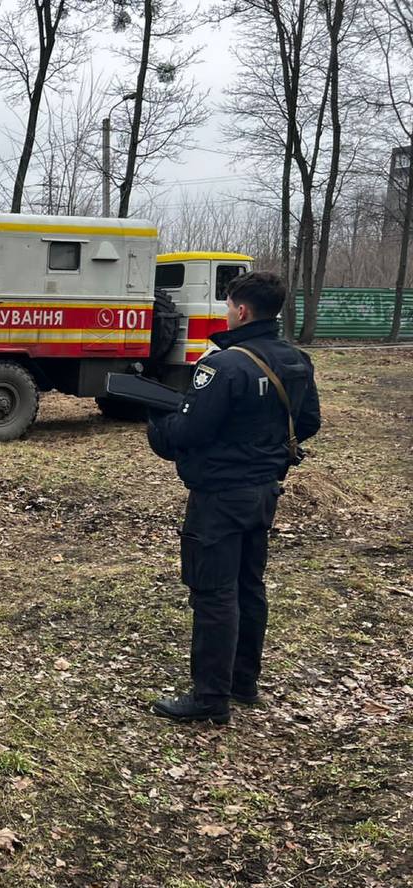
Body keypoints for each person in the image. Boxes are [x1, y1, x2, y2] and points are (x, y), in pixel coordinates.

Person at [146, 271, 321, 724]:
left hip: (219, 496)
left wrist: (155, 422)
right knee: (249, 586)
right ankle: (244, 682)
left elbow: (186, 433)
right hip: (264, 492)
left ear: (241, 310)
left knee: (213, 594)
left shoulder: (223, 366)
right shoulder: (297, 360)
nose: (226, 312)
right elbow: (309, 423)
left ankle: (210, 699)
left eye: (227, 305)